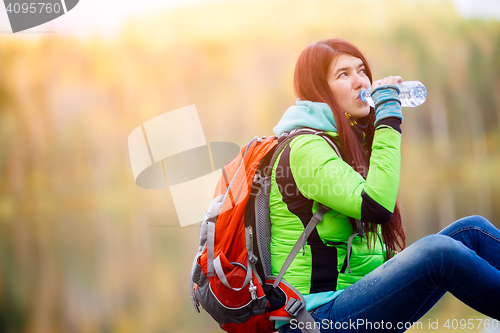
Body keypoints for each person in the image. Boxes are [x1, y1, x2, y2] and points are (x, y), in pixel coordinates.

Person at [269, 38, 500, 332]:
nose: (360, 81)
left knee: (471, 231)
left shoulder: (341, 142)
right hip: (313, 319)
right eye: (343, 74)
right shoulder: (305, 148)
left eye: (361, 70)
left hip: (347, 302)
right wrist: (388, 117)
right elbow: (376, 205)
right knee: (438, 253)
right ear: (318, 90)